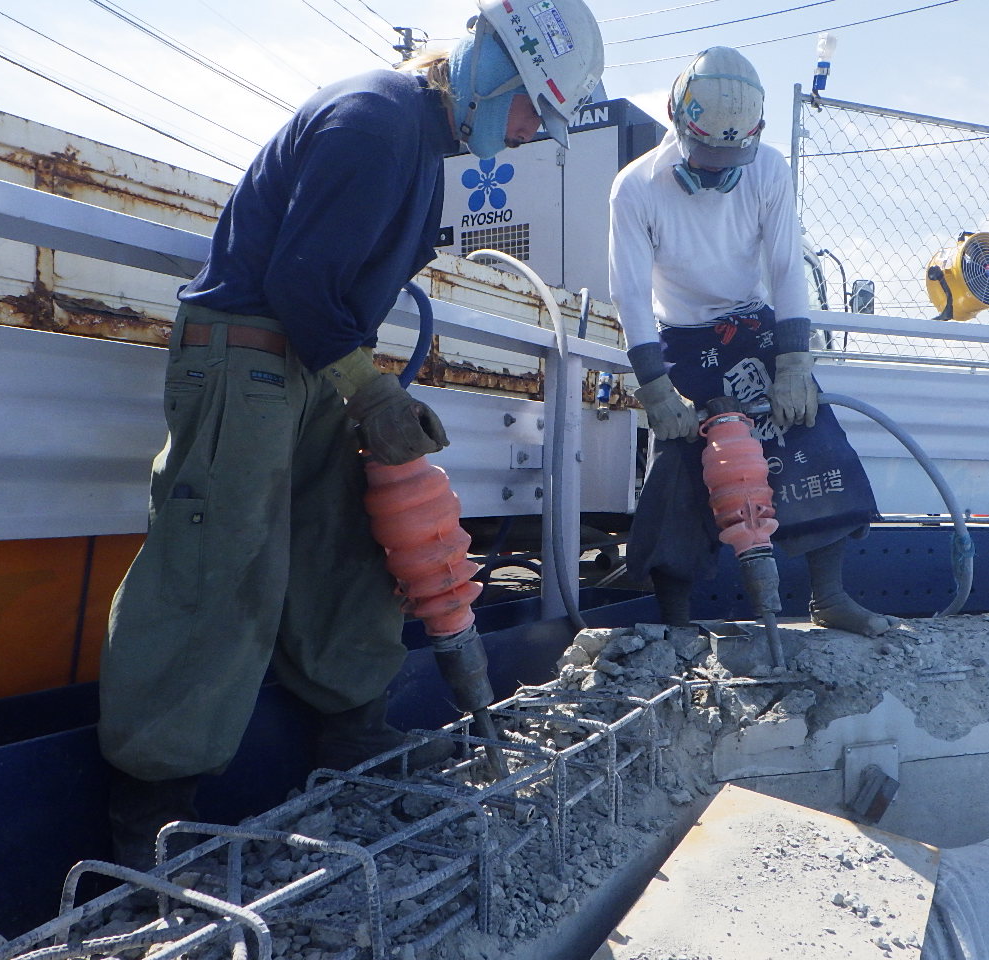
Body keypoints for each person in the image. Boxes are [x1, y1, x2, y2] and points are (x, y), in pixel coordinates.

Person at [99, 0, 603, 871]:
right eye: (533, 110)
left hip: (304, 362)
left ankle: (347, 733)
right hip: (247, 357)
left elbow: (329, 296)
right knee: (221, 566)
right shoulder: (376, 123)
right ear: (493, 70)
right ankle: (150, 814)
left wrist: (366, 397)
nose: (528, 134)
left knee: (346, 549)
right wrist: (371, 396)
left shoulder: (419, 140)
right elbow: (298, 280)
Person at [608, 46, 896, 640]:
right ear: (677, 117)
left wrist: (794, 362)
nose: (716, 169)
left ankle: (830, 597)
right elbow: (631, 294)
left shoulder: (767, 168)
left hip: (755, 326)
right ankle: (677, 623)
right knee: (682, 467)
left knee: (810, 438)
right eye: (707, 153)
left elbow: (787, 265)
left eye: (728, 155)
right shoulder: (635, 188)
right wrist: (655, 388)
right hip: (680, 340)